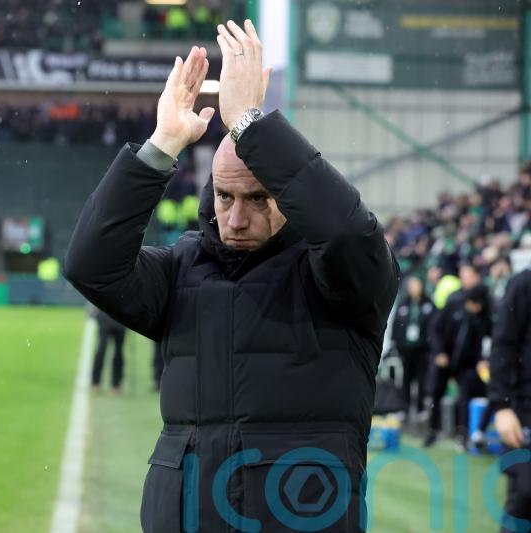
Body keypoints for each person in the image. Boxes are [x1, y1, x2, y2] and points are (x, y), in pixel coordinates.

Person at [64, 20, 398, 532]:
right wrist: (160, 146)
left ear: (288, 195)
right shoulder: (181, 270)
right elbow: (91, 265)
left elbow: (350, 234)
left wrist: (250, 125)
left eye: (258, 199)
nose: (236, 218)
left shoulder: (338, 278)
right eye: (225, 197)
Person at [425, 264, 492, 448]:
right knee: (435, 393)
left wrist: (481, 358)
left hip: (467, 362)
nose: (465, 279)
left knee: (465, 397)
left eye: (469, 275)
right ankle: (433, 431)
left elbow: (487, 334)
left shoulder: (486, 303)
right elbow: (436, 328)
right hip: (445, 357)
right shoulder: (454, 300)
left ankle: (463, 435)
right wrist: (439, 352)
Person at [489, 268, 531, 530]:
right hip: (526, 409)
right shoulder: (524, 283)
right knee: (526, 496)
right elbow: (503, 344)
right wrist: (502, 405)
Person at [390, 275, 436, 418]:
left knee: (422, 379)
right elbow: (396, 325)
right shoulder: (404, 304)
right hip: (406, 348)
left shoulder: (428, 304)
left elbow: (434, 326)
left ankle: (421, 408)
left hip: (422, 349)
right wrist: (395, 343)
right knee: (406, 379)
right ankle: (404, 407)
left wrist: (430, 344)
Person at [92, 309, 127, 393]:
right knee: (103, 349)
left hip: (119, 317)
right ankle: (97, 382)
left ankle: (114, 384)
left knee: (117, 351)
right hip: (110, 316)